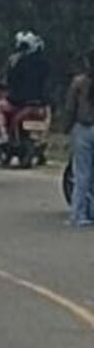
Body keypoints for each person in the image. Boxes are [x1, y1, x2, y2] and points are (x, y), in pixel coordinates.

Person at [0, 31, 52, 144]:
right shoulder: (46, 64)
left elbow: (10, 79)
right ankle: (41, 139)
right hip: (41, 103)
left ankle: (4, 135)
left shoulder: (19, 61)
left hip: (19, 102)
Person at [62, 50, 94, 227]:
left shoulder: (79, 83)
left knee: (81, 174)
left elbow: (70, 109)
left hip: (83, 130)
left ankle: (78, 214)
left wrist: (66, 129)